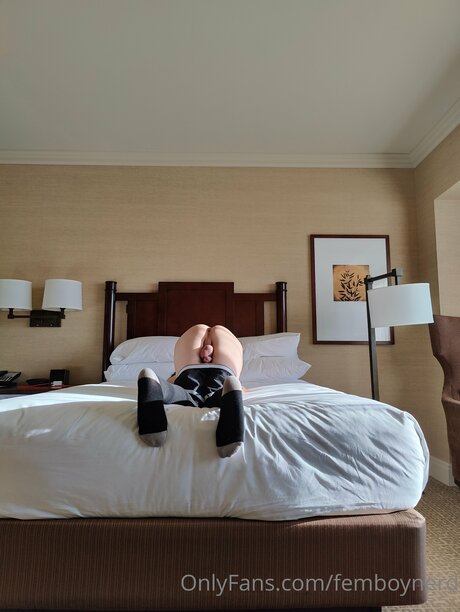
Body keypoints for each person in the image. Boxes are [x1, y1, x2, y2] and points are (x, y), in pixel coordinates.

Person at [137, 324, 244, 458]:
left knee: (183, 392)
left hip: (192, 340)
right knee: (222, 391)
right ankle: (228, 390)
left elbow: (173, 379)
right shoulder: (228, 337)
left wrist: (171, 380)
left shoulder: (193, 332)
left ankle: (158, 385)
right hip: (226, 351)